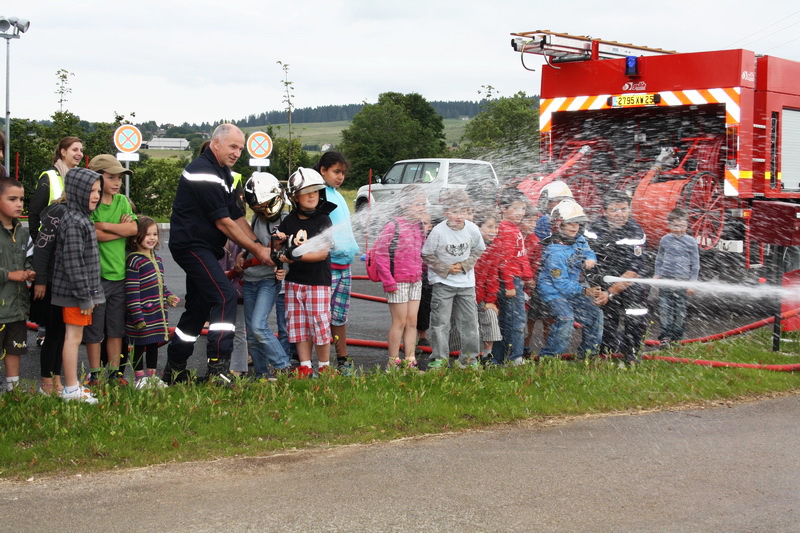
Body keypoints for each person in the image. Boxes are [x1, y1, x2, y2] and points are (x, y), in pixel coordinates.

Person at [163, 124, 272, 384]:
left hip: (205, 247)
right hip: (191, 245)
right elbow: (223, 222)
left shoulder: (223, 174)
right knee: (224, 296)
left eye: (240, 148)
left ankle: (174, 370)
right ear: (216, 144)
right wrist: (258, 250)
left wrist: (256, 245)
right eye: (232, 146)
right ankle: (218, 369)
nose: (237, 153)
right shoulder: (204, 172)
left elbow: (237, 216)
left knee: (198, 308)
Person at [82, 155, 138, 386]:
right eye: (111, 177)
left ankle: (115, 372)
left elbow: (134, 228)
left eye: (119, 178)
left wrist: (104, 226)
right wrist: (119, 229)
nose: (116, 182)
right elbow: (91, 233)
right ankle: (94, 373)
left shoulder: (122, 201)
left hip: (120, 275)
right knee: (95, 330)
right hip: (97, 277)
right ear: (97, 178)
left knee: (116, 329)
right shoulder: (90, 203)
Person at [275, 167, 335, 378]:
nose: (312, 195)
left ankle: (325, 366)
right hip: (294, 283)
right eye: (306, 191)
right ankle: (305, 366)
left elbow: (321, 254)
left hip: (318, 283)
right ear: (294, 196)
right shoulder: (289, 221)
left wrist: (294, 256)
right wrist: (278, 244)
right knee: (298, 325)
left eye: (316, 191)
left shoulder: (323, 220)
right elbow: (278, 248)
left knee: (319, 325)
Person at [51, 168, 104, 403]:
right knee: (73, 338)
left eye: (98, 191)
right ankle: (71, 389)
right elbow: (74, 264)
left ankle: (72, 386)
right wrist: (85, 297)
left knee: (75, 336)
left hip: (80, 293)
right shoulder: (75, 221)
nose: (96, 195)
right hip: (75, 295)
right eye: (91, 190)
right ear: (78, 190)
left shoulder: (81, 218)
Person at [421, 188, 485, 369]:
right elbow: (426, 254)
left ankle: (469, 360)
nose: (459, 216)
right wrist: (444, 268)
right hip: (443, 283)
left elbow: (478, 249)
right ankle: (439, 359)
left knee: (470, 323)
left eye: (463, 211)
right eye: (455, 211)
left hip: (466, 284)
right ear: (445, 212)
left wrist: (465, 265)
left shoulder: (472, 229)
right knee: (441, 323)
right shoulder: (438, 232)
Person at [28, 136, 83, 348]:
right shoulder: (50, 176)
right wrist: (40, 241)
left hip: (66, 245)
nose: (79, 153)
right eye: (74, 149)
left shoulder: (75, 176)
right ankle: (44, 333)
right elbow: (34, 213)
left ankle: (56, 333)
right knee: (47, 290)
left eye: (80, 150)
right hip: (48, 246)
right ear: (62, 152)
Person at [584, 190, 649, 365]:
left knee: (635, 314)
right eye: (614, 210)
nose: (620, 214)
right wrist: (593, 284)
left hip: (630, 281)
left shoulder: (635, 231)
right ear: (605, 211)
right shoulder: (593, 229)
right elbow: (585, 256)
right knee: (607, 316)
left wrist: (610, 293)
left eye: (624, 209)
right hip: (603, 278)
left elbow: (634, 270)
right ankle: (606, 350)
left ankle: (632, 351)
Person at [240, 172, 291, 380]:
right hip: (249, 279)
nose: (263, 213)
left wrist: (281, 262)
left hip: (268, 281)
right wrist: (242, 256)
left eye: (266, 207)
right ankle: (263, 376)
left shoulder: (287, 221)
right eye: (257, 209)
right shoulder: (255, 219)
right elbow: (253, 244)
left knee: (259, 326)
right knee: (252, 336)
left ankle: (283, 366)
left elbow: (290, 253)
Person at [537, 200, 604, 360]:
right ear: (558, 225)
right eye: (570, 223)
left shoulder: (578, 240)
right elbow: (560, 283)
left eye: (577, 223)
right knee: (566, 318)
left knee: (596, 314)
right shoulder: (555, 252)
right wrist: (586, 291)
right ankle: (549, 357)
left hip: (572, 289)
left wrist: (590, 258)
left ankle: (588, 354)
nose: (575, 227)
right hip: (553, 293)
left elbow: (588, 251)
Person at [315, 152, 360, 374]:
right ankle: (320, 363)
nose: (340, 177)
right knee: (322, 317)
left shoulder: (339, 196)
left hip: (345, 266)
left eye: (343, 172)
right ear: (322, 170)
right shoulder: (319, 195)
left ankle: (342, 360)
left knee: (339, 316)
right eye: (336, 172)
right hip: (328, 267)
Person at [373, 184, 427, 369]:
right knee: (400, 321)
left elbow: (421, 252)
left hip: (415, 280)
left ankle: (410, 360)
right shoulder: (393, 226)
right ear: (404, 204)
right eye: (417, 204)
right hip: (397, 282)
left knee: (412, 321)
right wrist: (389, 281)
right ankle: (393, 362)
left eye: (423, 204)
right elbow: (380, 255)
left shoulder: (420, 226)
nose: (421, 208)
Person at [125, 217, 179, 388]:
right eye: (147, 234)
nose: (152, 238)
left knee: (153, 345)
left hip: (157, 313)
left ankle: (152, 377)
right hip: (141, 314)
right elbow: (132, 291)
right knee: (140, 347)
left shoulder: (158, 260)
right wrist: (137, 316)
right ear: (135, 238)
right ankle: (139, 379)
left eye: (155, 234)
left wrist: (169, 296)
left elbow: (160, 286)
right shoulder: (134, 260)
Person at [482, 189, 534, 365]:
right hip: (509, 282)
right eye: (516, 208)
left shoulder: (514, 228)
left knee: (507, 320)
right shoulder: (505, 229)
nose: (521, 213)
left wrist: (528, 276)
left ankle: (498, 359)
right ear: (503, 208)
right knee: (515, 322)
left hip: (516, 280)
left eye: (523, 208)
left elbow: (520, 256)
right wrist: (510, 284)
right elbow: (503, 261)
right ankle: (514, 357)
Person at [0, 177, 35, 392]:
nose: (19, 204)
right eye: (12, 199)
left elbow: (29, 259)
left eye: (21, 199)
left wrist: (30, 272)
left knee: (15, 349)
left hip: (18, 308)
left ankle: (13, 390)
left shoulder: (23, 232)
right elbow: (11, 272)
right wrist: (9, 275)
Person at [654, 208, 700, 346]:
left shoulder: (691, 241)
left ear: (687, 226)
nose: (679, 229)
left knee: (680, 310)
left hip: (682, 281)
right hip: (666, 280)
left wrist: (692, 283)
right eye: (675, 226)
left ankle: (677, 336)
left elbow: (695, 264)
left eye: (682, 226)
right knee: (664, 308)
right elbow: (659, 258)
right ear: (668, 225)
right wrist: (657, 273)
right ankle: (665, 336)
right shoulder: (665, 240)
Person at [472, 208, 503, 363]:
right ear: (478, 227)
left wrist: (491, 299)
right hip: (468, 294)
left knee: (490, 319)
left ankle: (486, 355)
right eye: (489, 227)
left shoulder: (494, 247)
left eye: (496, 227)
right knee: (471, 327)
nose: (494, 231)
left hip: (484, 296)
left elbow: (493, 276)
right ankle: (469, 357)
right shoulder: (472, 246)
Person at [519, 203, 548, 359]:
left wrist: (530, 281)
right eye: (528, 221)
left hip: (526, 287)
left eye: (534, 222)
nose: (532, 225)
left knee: (525, 318)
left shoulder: (535, 241)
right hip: (512, 282)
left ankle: (522, 348)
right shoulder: (514, 236)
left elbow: (535, 265)